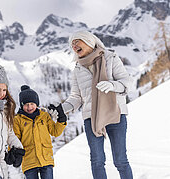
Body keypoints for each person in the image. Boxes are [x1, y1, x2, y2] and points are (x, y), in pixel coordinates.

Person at [55, 31, 133, 179]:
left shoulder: (110, 58)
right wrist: (61, 109)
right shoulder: (78, 69)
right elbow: (76, 97)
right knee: (97, 161)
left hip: (115, 113)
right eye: (72, 44)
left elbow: (127, 83)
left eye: (77, 41)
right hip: (92, 117)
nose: (74, 45)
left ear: (88, 41)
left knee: (120, 160)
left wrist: (112, 85)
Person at [13, 85, 67, 179]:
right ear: (22, 105)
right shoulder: (18, 120)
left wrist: (61, 120)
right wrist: (14, 152)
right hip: (29, 160)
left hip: (46, 158)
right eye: (26, 104)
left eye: (32, 104)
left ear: (36, 104)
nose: (29, 107)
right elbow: (14, 138)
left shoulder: (44, 116)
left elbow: (55, 131)